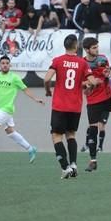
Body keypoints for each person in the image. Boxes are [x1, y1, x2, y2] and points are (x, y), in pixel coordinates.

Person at [44, 34, 99, 179]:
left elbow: (47, 78)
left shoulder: (58, 61)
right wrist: (89, 89)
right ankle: (74, 164)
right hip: (75, 106)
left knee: (56, 136)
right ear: (76, 46)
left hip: (60, 105)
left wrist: (48, 90)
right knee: (71, 135)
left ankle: (65, 168)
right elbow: (92, 82)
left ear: (65, 46)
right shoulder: (82, 63)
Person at [0, 56, 44, 163]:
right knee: (10, 132)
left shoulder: (14, 78)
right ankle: (30, 149)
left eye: (7, 63)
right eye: (3, 63)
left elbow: (25, 89)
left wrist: (36, 99)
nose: (5, 65)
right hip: (2, 109)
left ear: (10, 65)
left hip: (7, 108)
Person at [81, 37, 111, 172]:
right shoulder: (82, 63)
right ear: (86, 50)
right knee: (93, 130)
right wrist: (88, 83)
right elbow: (80, 83)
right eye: (94, 47)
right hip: (93, 100)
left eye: (97, 47)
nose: (97, 49)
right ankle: (93, 161)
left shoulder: (102, 59)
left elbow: (110, 72)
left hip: (108, 96)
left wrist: (108, 74)